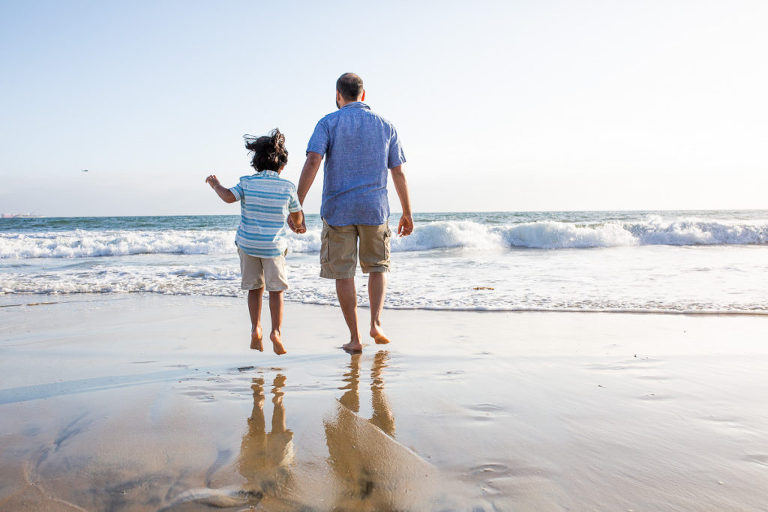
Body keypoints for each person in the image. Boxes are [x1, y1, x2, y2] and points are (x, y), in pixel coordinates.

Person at [291, 72, 413, 353]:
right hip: (374, 208)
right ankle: (376, 323)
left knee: (344, 273)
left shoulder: (328, 123)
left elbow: (313, 161)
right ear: (363, 95)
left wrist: (297, 204)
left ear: (338, 95)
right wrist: (407, 211)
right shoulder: (386, 125)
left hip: (338, 210)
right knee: (377, 267)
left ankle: (356, 338)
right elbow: (398, 171)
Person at [206, 129, 306, 355]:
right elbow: (298, 217)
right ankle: (276, 332)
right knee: (276, 290)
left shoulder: (247, 183)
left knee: (255, 288)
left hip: (248, 244)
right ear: (282, 166)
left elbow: (228, 197)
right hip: (274, 247)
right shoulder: (287, 187)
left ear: (256, 163)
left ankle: (255, 328)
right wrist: (297, 223)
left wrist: (215, 185)